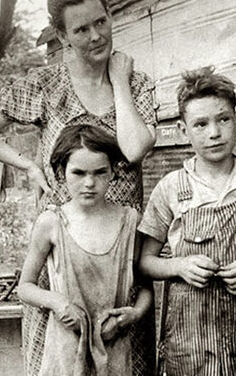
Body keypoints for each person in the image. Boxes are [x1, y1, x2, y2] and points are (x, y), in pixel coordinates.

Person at [0, 0, 157, 375]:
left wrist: (117, 81)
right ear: (63, 36)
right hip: (62, 248)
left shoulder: (136, 84)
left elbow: (134, 149)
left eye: (101, 21)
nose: (96, 35)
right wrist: (28, 165)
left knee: (122, 357)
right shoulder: (45, 85)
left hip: (119, 248)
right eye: (81, 30)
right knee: (58, 359)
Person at [137, 67, 236, 376]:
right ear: (184, 131)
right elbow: (145, 262)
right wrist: (178, 266)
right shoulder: (171, 188)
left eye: (223, 119)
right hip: (190, 341)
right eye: (200, 124)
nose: (214, 132)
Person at [18, 124, 153, 375]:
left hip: (113, 350)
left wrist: (133, 314)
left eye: (100, 172)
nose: (89, 183)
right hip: (65, 353)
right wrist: (56, 302)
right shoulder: (52, 223)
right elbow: (25, 286)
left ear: (112, 172)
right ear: (61, 173)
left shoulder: (129, 222)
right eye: (78, 173)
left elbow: (145, 286)